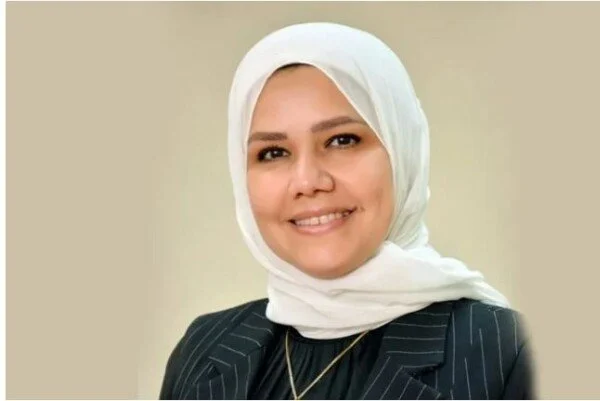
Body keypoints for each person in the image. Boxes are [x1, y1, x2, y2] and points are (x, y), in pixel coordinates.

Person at [159, 22, 535, 400]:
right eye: (273, 152)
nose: (307, 181)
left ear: (402, 151)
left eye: (342, 140)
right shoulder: (203, 350)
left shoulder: (502, 353)